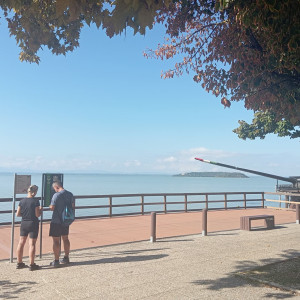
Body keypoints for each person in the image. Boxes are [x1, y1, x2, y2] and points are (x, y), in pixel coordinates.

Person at [16, 185, 42, 271]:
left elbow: (18, 214)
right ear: (34, 192)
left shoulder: (22, 201)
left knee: (21, 243)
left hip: (24, 223)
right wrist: (41, 210)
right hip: (33, 223)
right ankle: (32, 264)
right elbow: (37, 214)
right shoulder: (36, 201)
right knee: (32, 244)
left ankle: (19, 263)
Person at [49, 181, 75, 267]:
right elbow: (73, 206)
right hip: (66, 220)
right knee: (66, 238)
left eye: (54, 189)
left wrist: (50, 206)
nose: (55, 191)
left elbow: (52, 208)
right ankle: (66, 257)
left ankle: (56, 261)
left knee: (56, 241)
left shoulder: (56, 195)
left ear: (56, 187)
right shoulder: (70, 194)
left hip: (56, 221)